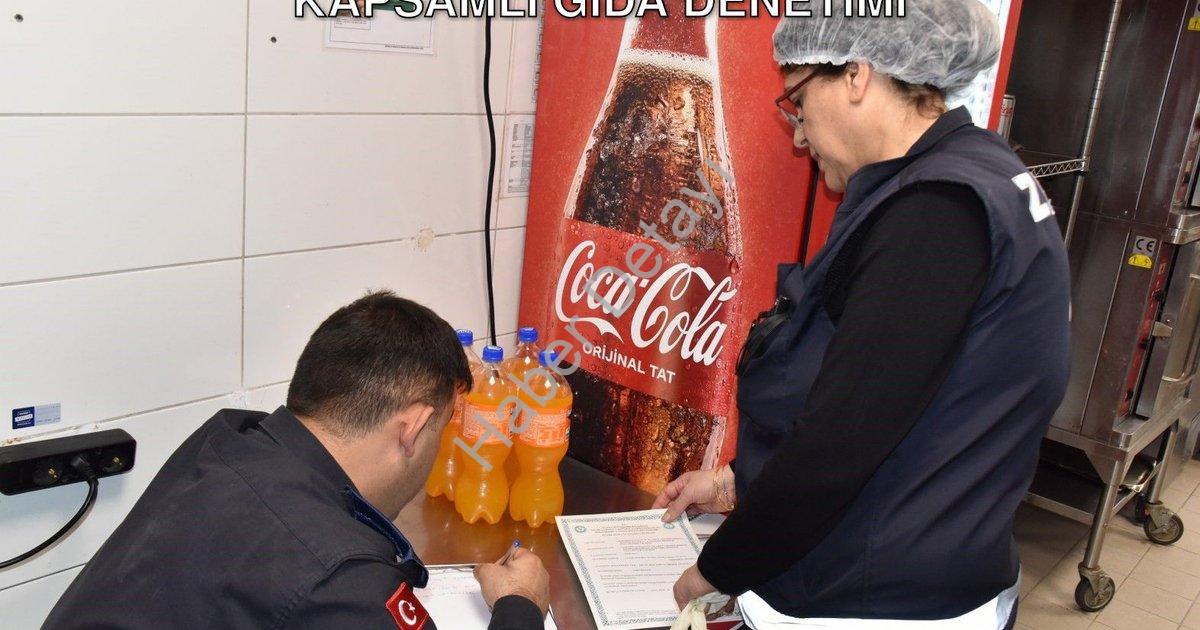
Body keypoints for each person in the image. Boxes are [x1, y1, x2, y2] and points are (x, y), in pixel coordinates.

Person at [654, 1, 1070, 628]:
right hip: (929, 565)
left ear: (856, 73)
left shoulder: (936, 213)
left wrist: (720, 569)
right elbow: (911, 397)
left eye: (797, 100)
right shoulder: (977, 171)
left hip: (878, 598)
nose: (797, 134)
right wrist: (737, 480)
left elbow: (842, 439)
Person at [45, 291, 549, 629]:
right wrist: (520, 605)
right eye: (444, 427)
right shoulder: (338, 576)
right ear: (413, 427)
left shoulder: (227, 442)